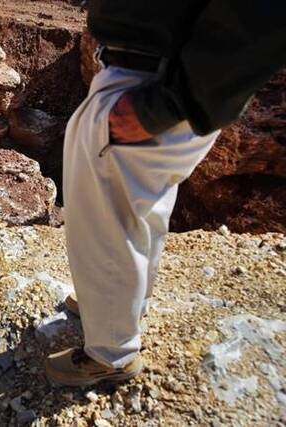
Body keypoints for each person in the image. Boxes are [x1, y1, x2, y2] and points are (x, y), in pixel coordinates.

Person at [45, 0, 286, 386]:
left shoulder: (159, 99)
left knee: (106, 224)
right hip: (158, 79)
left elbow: (262, 14)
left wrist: (164, 107)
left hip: (153, 86)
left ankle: (110, 356)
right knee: (135, 210)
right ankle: (115, 308)